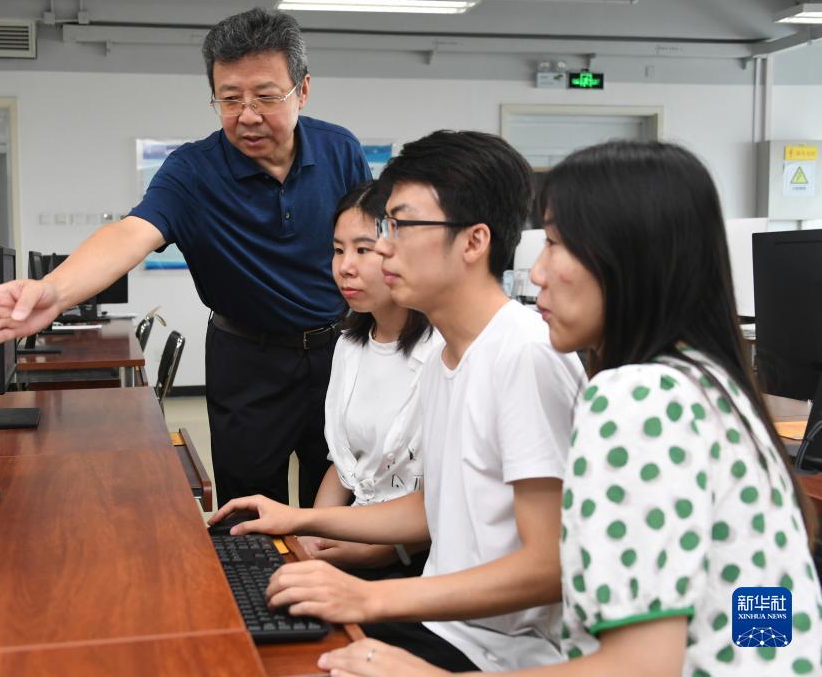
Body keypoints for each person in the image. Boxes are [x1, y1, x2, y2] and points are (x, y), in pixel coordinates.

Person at [317, 141, 822, 676]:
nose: (536, 273)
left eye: (556, 244)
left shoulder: (639, 399)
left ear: (626, 257)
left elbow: (642, 667)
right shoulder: (706, 384)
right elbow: (759, 629)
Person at [0, 8, 371, 508]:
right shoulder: (193, 172)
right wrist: (54, 291)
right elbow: (132, 232)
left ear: (302, 90)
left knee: (347, 496)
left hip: (341, 351)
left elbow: (372, 244)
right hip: (247, 361)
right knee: (250, 510)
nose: (247, 115)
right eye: (229, 99)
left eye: (265, 96)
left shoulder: (340, 150)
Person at [210, 130, 585, 672]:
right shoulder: (446, 359)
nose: (384, 248)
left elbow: (548, 566)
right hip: (443, 622)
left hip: (504, 652)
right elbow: (431, 507)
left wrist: (368, 598)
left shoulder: (523, 354)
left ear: (474, 242)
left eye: (400, 227)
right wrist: (296, 518)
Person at [299, 181, 441, 576]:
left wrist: (380, 552)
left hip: (418, 556)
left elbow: (445, 499)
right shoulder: (349, 345)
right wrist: (311, 535)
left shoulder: (442, 352)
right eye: (338, 250)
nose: (345, 267)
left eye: (363, 250)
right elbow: (345, 466)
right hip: (355, 534)